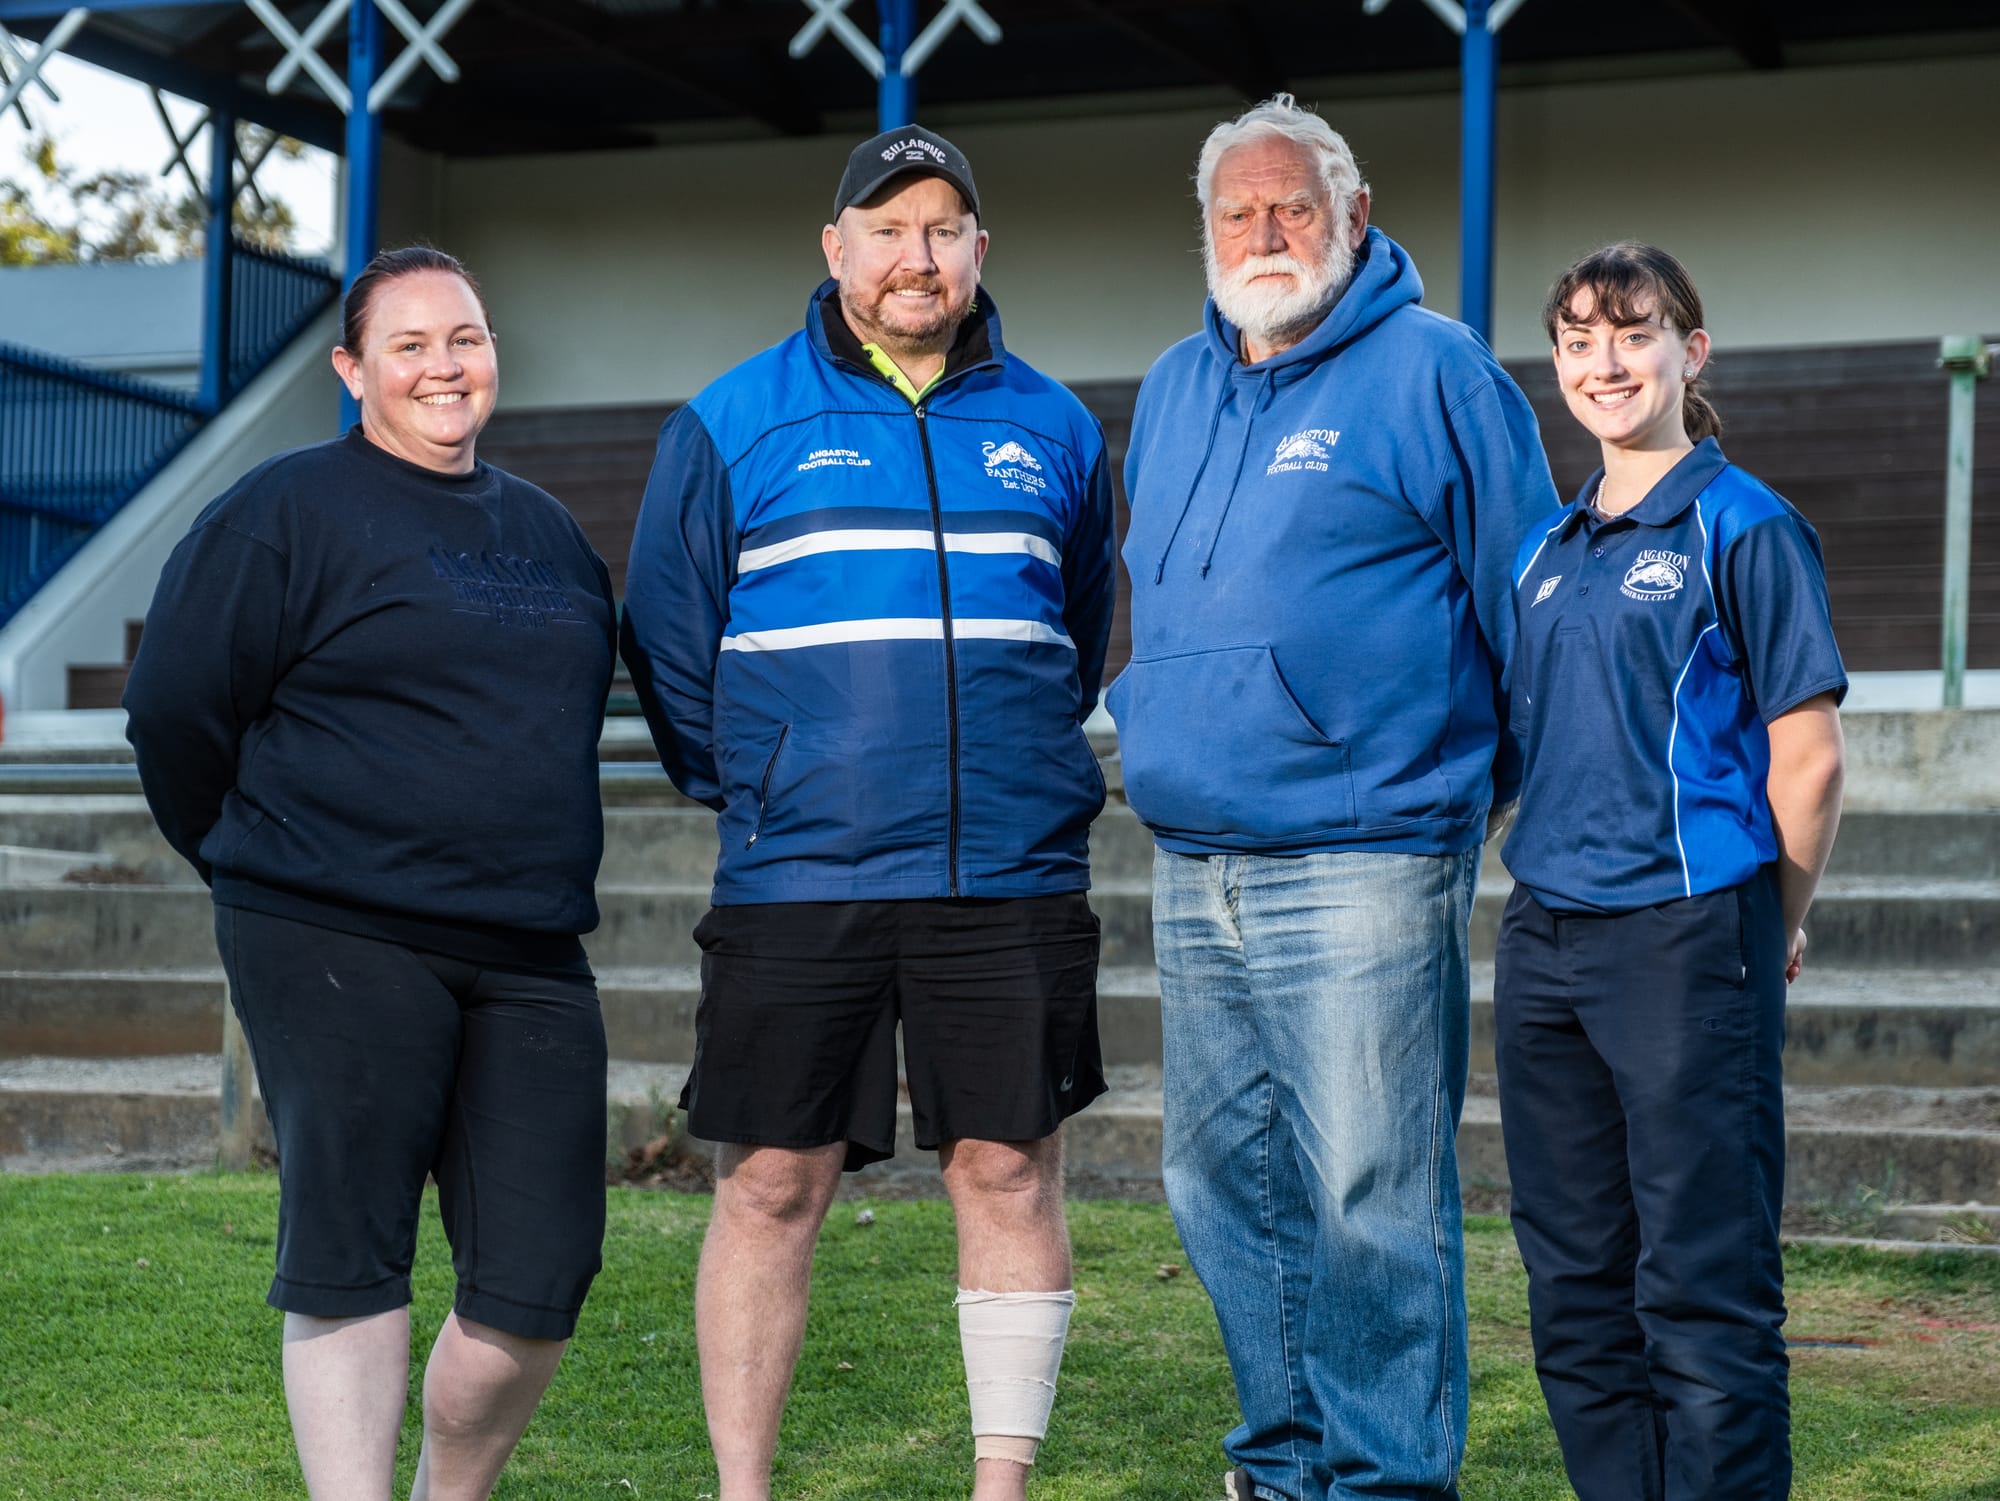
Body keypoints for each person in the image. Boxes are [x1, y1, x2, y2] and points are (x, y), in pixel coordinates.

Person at [619, 125, 1115, 1501]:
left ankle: (999, 1489)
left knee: (1007, 1171)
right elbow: (667, 641)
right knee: (772, 1181)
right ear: (834, 248)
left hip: (1006, 871)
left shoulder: (1056, 427)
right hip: (801, 875)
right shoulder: (732, 420)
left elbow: (1076, 633)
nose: (917, 256)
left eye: (943, 229)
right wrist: (764, 782)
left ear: (979, 251)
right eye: (887, 229)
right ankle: (743, 1491)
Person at [1109, 95, 1558, 1501]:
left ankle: (1383, 1480)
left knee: (1369, 1193)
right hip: (1196, 856)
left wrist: (1485, 794)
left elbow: (1532, 608)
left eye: (1291, 206)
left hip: (1364, 851)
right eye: (1235, 212)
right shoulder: (1172, 386)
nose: (1263, 233)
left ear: (1353, 217)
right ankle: (1285, 1462)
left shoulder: (1436, 370)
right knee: (1221, 1185)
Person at [123, 246, 618, 1501]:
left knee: (539, 1278)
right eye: (409, 344)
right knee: (351, 1252)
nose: (443, 366)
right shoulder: (282, 512)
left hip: (528, 947)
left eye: (466, 338)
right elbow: (174, 711)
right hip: (329, 928)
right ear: (352, 371)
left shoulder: (547, 531)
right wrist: (252, 862)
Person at [1496, 242, 1846, 1500]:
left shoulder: (1741, 524)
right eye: (1576, 339)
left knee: (1700, 1288)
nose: (1603, 362)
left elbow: (1807, 759)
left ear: (1687, 353)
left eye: (1631, 333)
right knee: (1574, 1287)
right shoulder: (1541, 550)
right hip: (1543, 940)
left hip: (1685, 933)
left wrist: (1770, 919)